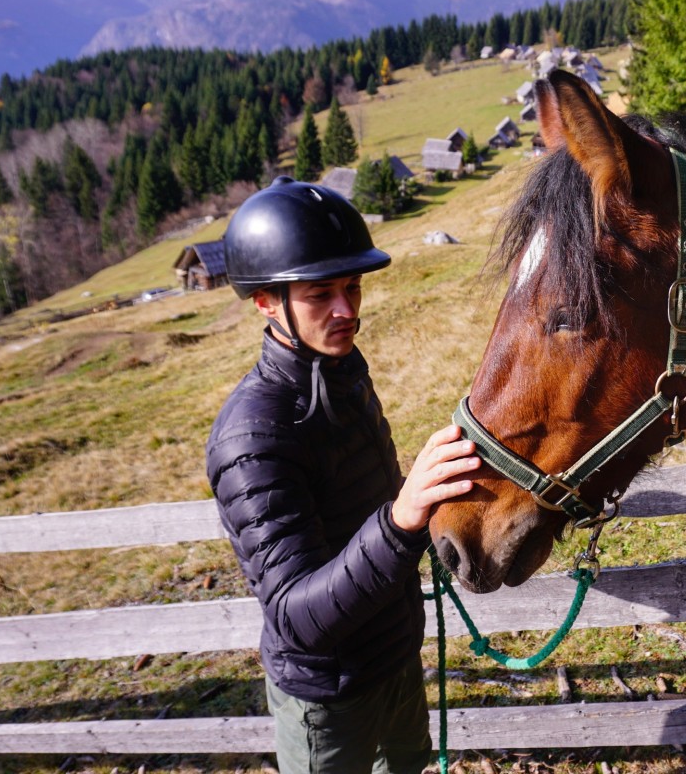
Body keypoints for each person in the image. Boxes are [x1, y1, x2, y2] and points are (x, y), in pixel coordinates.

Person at [205, 176, 480, 774]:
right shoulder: (251, 437)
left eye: (353, 287)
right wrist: (402, 520)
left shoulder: (343, 371)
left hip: (395, 656)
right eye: (320, 294)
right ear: (265, 301)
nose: (347, 310)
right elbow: (296, 619)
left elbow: (367, 505)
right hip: (328, 700)